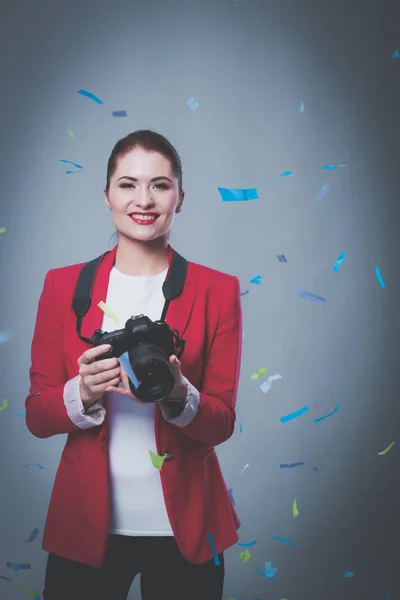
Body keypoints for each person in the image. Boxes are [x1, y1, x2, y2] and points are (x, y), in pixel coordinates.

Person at [25, 129, 243, 600]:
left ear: (180, 198)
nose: (144, 199)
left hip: (188, 527)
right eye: (128, 184)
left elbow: (221, 423)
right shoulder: (63, 287)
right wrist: (80, 392)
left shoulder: (217, 290)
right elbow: (36, 416)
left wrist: (178, 393)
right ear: (106, 196)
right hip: (85, 526)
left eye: (160, 185)